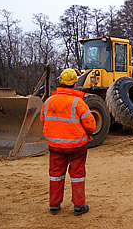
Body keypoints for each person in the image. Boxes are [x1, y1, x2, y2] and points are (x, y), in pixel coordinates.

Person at [40, 68, 96, 216]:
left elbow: (43, 120)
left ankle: (54, 205)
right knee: (77, 175)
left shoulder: (48, 101)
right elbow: (91, 125)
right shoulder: (78, 103)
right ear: (74, 83)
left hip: (55, 146)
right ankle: (78, 206)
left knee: (56, 175)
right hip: (76, 146)